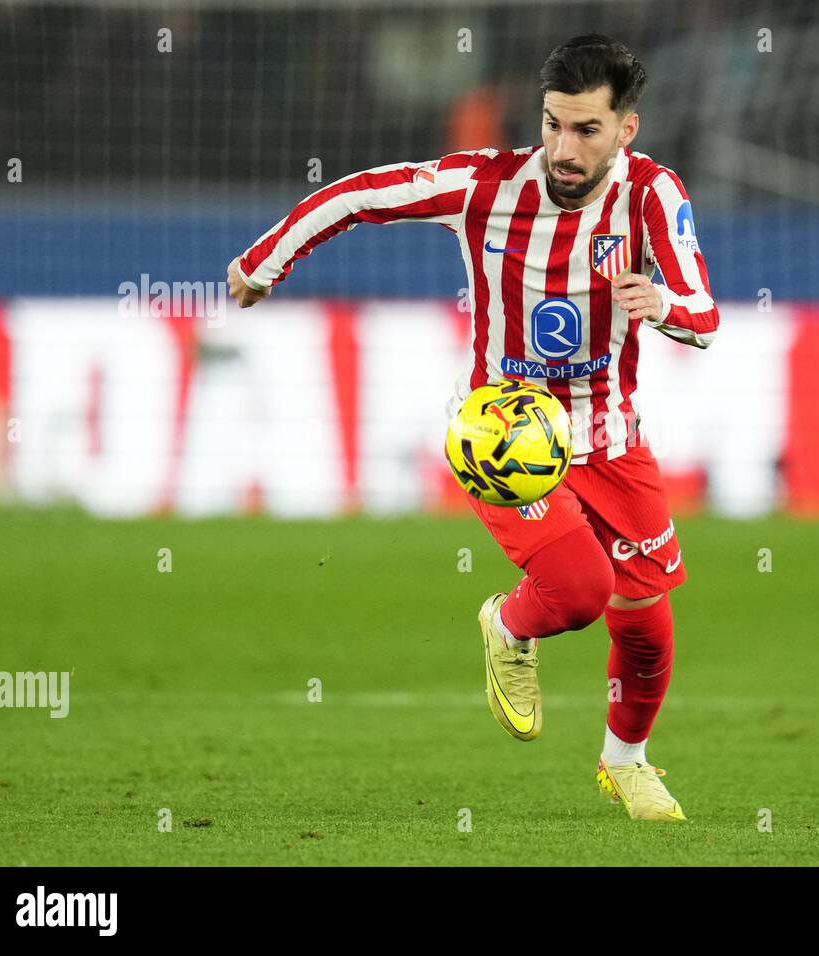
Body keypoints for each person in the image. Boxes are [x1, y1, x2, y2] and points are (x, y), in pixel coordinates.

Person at [226, 34, 719, 822]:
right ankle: (509, 621)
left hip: (610, 439)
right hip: (502, 433)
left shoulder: (653, 196)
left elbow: (703, 311)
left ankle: (626, 763)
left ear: (626, 129)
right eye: (554, 123)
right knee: (580, 590)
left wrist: (662, 307)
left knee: (650, 632)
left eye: (586, 130)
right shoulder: (484, 183)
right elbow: (358, 194)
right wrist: (263, 262)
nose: (563, 147)